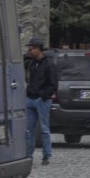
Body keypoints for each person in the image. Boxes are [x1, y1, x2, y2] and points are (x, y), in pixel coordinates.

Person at [24, 36, 59, 165]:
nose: (29, 50)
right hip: (30, 99)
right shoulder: (31, 61)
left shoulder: (49, 63)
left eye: (31, 48)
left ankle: (46, 156)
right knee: (29, 129)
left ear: (38, 49)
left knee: (44, 128)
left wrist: (43, 96)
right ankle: (28, 156)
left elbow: (54, 85)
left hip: (42, 100)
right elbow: (22, 60)